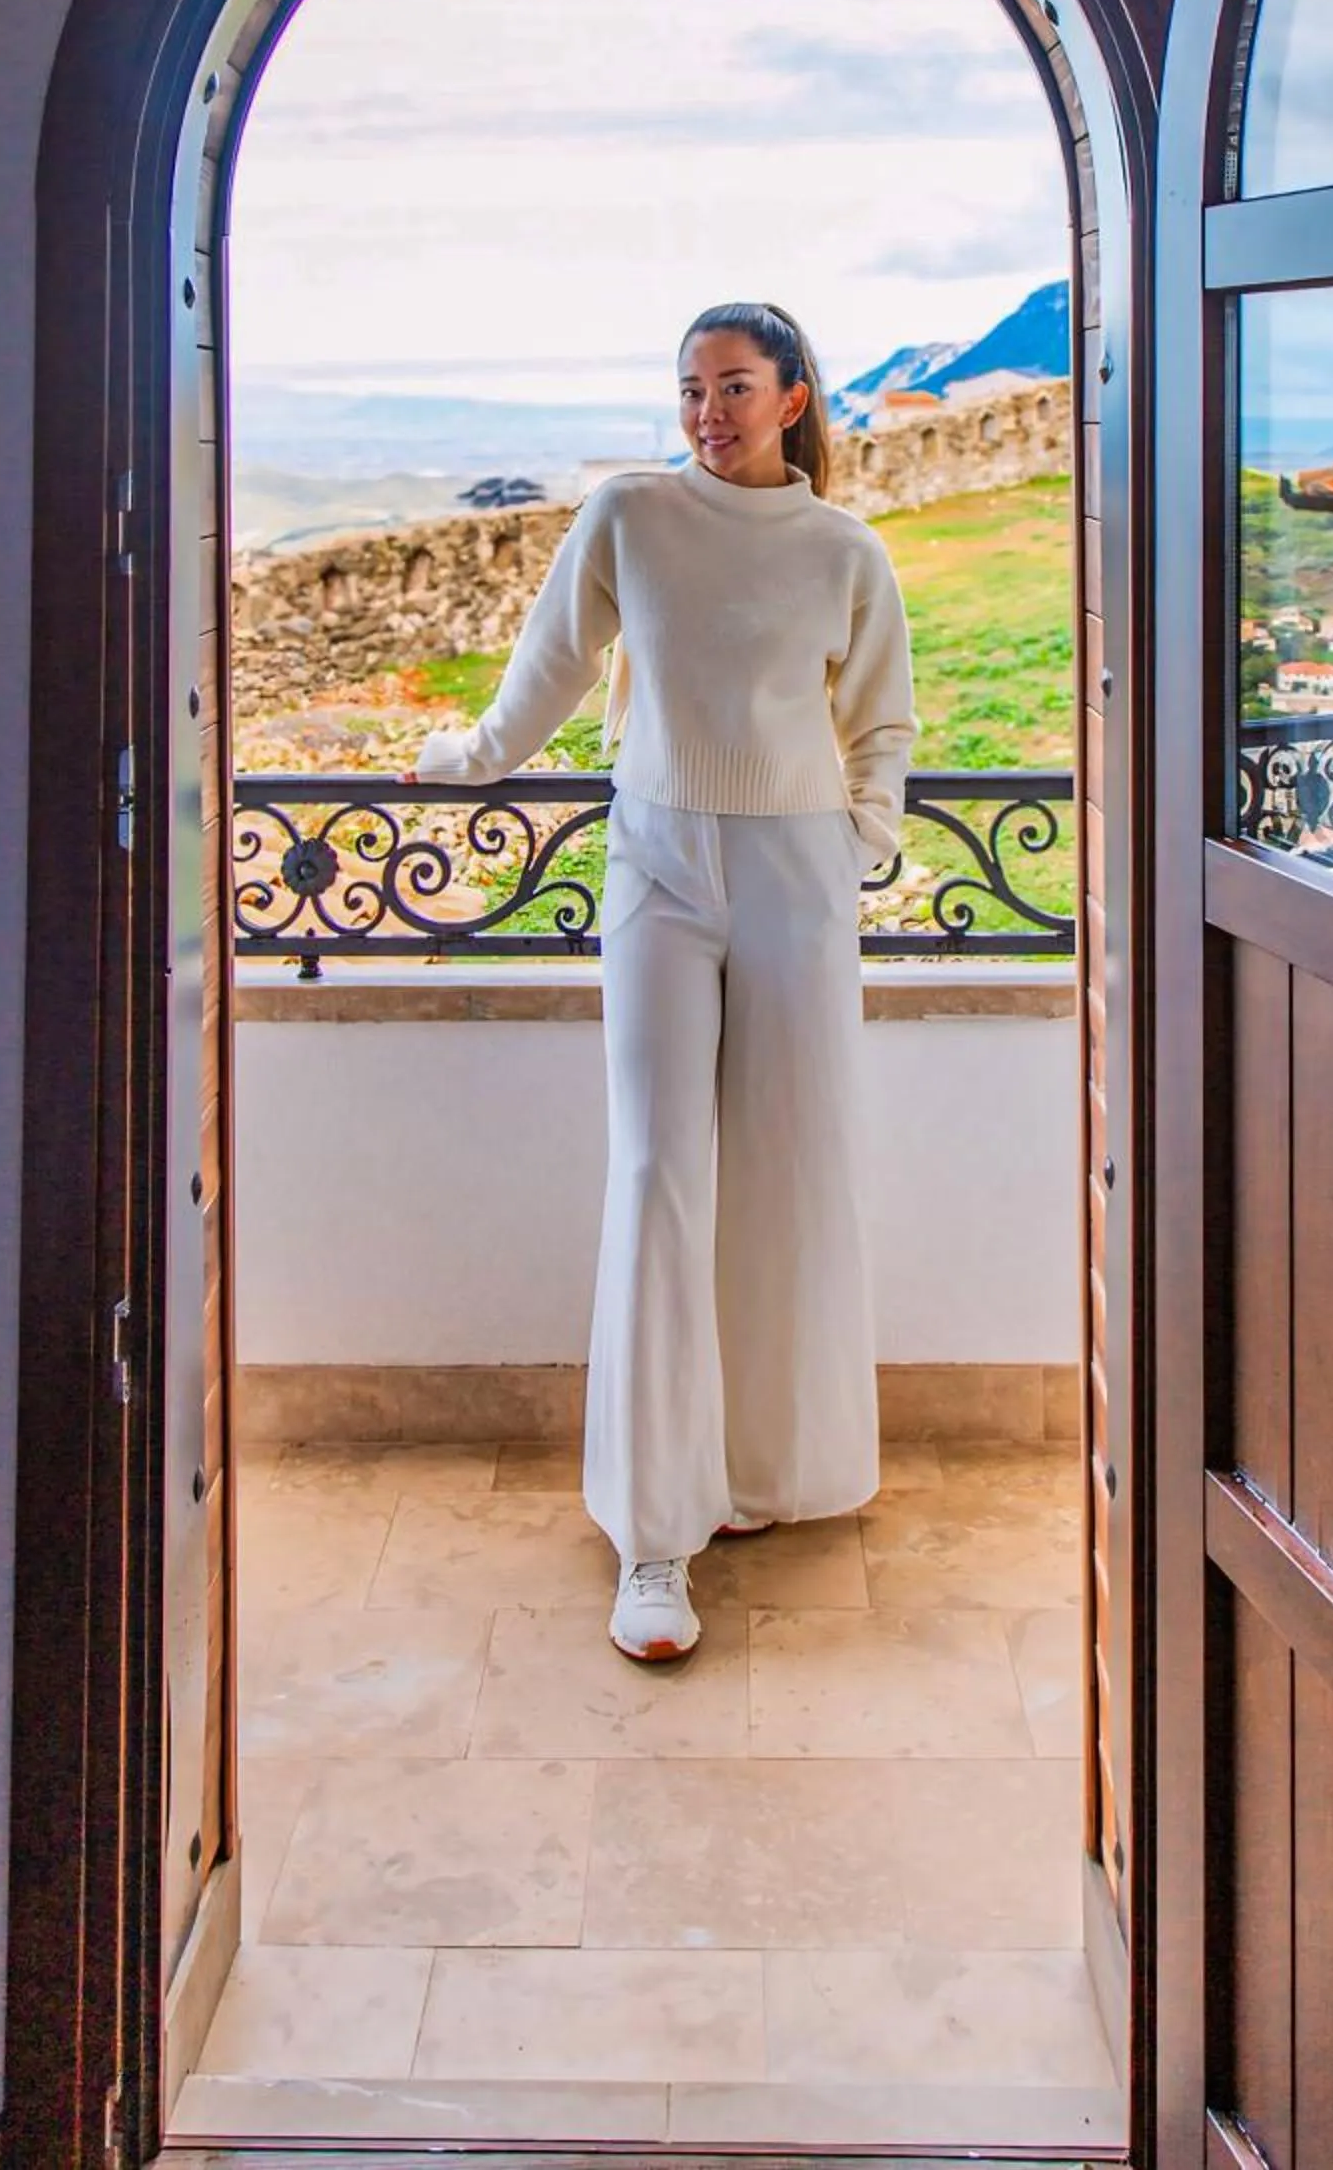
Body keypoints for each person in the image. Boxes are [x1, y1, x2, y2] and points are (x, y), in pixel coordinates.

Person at [414, 302, 915, 1662]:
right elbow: (553, 666)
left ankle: (753, 1467)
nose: (708, 411)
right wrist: (474, 759)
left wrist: (858, 842)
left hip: (800, 876)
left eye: (735, 386)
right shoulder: (630, 515)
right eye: (692, 388)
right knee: (657, 1173)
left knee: (787, 1170)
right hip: (659, 869)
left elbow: (880, 721)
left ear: (793, 398)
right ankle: (653, 1535)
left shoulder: (845, 549)